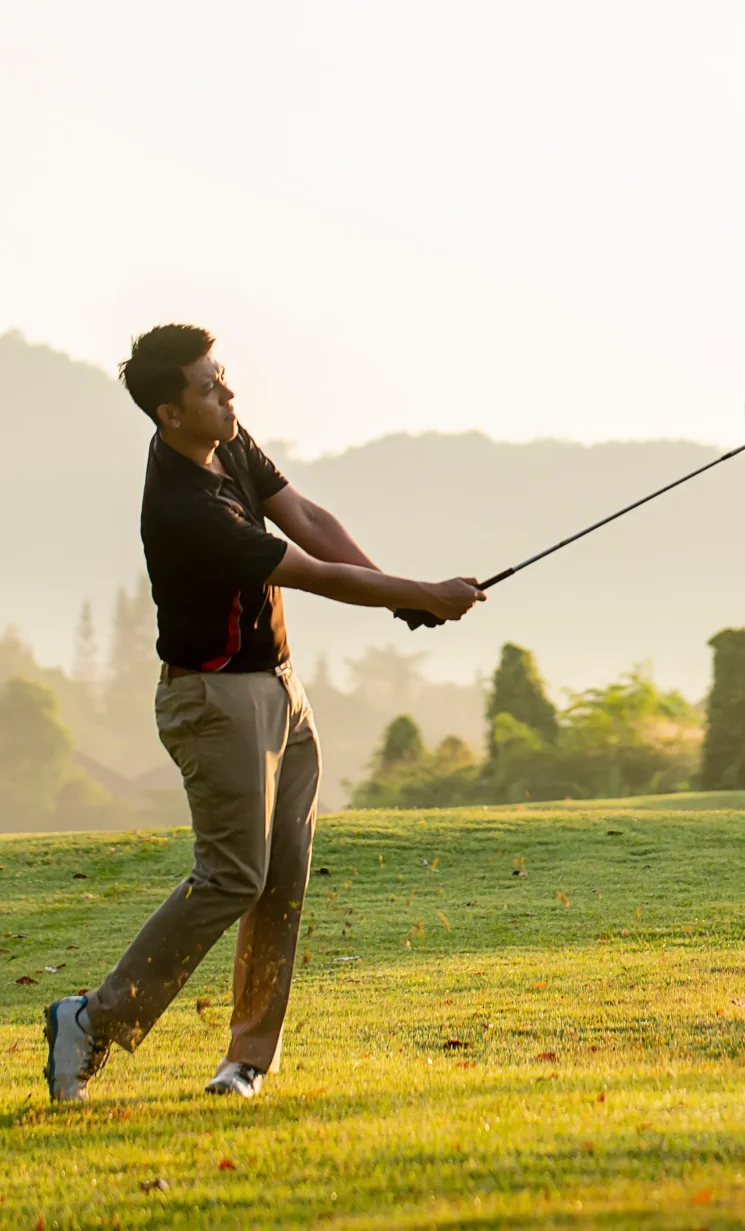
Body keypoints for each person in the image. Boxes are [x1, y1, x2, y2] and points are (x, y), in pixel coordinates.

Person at [43, 323, 483, 1102]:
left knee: (281, 878)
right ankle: (91, 1018)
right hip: (214, 699)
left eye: (224, 377)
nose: (228, 394)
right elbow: (307, 570)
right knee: (232, 876)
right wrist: (420, 593)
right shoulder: (187, 505)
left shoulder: (228, 441)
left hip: (278, 686)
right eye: (209, 387)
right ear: (170, 412)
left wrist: (400, 596)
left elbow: (306, 516)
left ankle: (246, 1058)